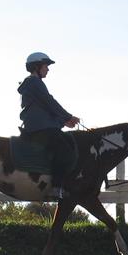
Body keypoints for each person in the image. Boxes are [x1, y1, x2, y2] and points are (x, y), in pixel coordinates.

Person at [17, 51, 80, 199]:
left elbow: (46, 109)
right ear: (37, 67)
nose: (48, 69)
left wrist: (64, 121)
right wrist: (68, 116)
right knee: (64, 150)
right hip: (39, 127)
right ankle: (56, 187)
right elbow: (49, 101)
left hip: (40, 125)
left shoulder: (33, 83)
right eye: (46, 66)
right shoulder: (34, 82)